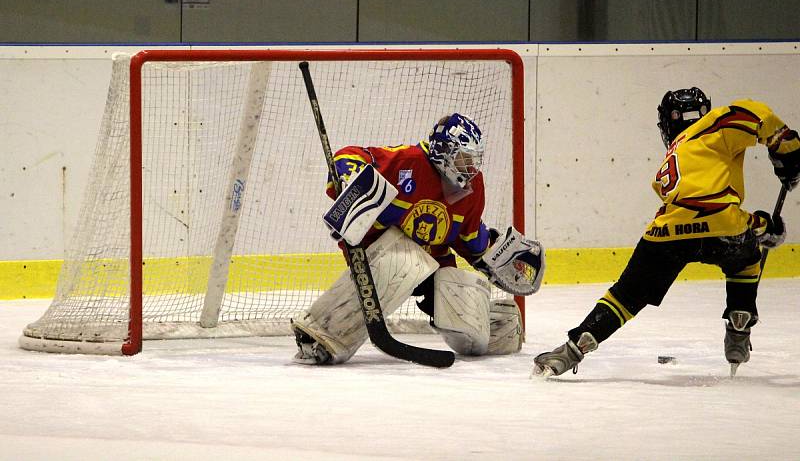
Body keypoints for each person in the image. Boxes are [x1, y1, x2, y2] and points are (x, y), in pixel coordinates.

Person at [533, 88, 800, 378]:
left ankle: (575, 346)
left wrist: (759, 224)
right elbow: (756, 114)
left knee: (625, 296)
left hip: (669, 231)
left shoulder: (672, 156)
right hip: (724, 225)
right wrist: (786, 150)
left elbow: (692, 209)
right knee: (747, 258)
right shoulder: (713, 126)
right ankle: (740, 319)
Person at [292, 113, 545, 365]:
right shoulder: (408, 162)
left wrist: (493, 250)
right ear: (442, 151)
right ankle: (319, 334)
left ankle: (498, 323)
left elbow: (468, 236)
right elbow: (347, 155)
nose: (470, 168)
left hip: (433, 267)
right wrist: (350, 177)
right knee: (406, 262)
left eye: (473, 160)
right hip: (382, 258)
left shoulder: (472, 188)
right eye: (463, 158)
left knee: (485, 329)